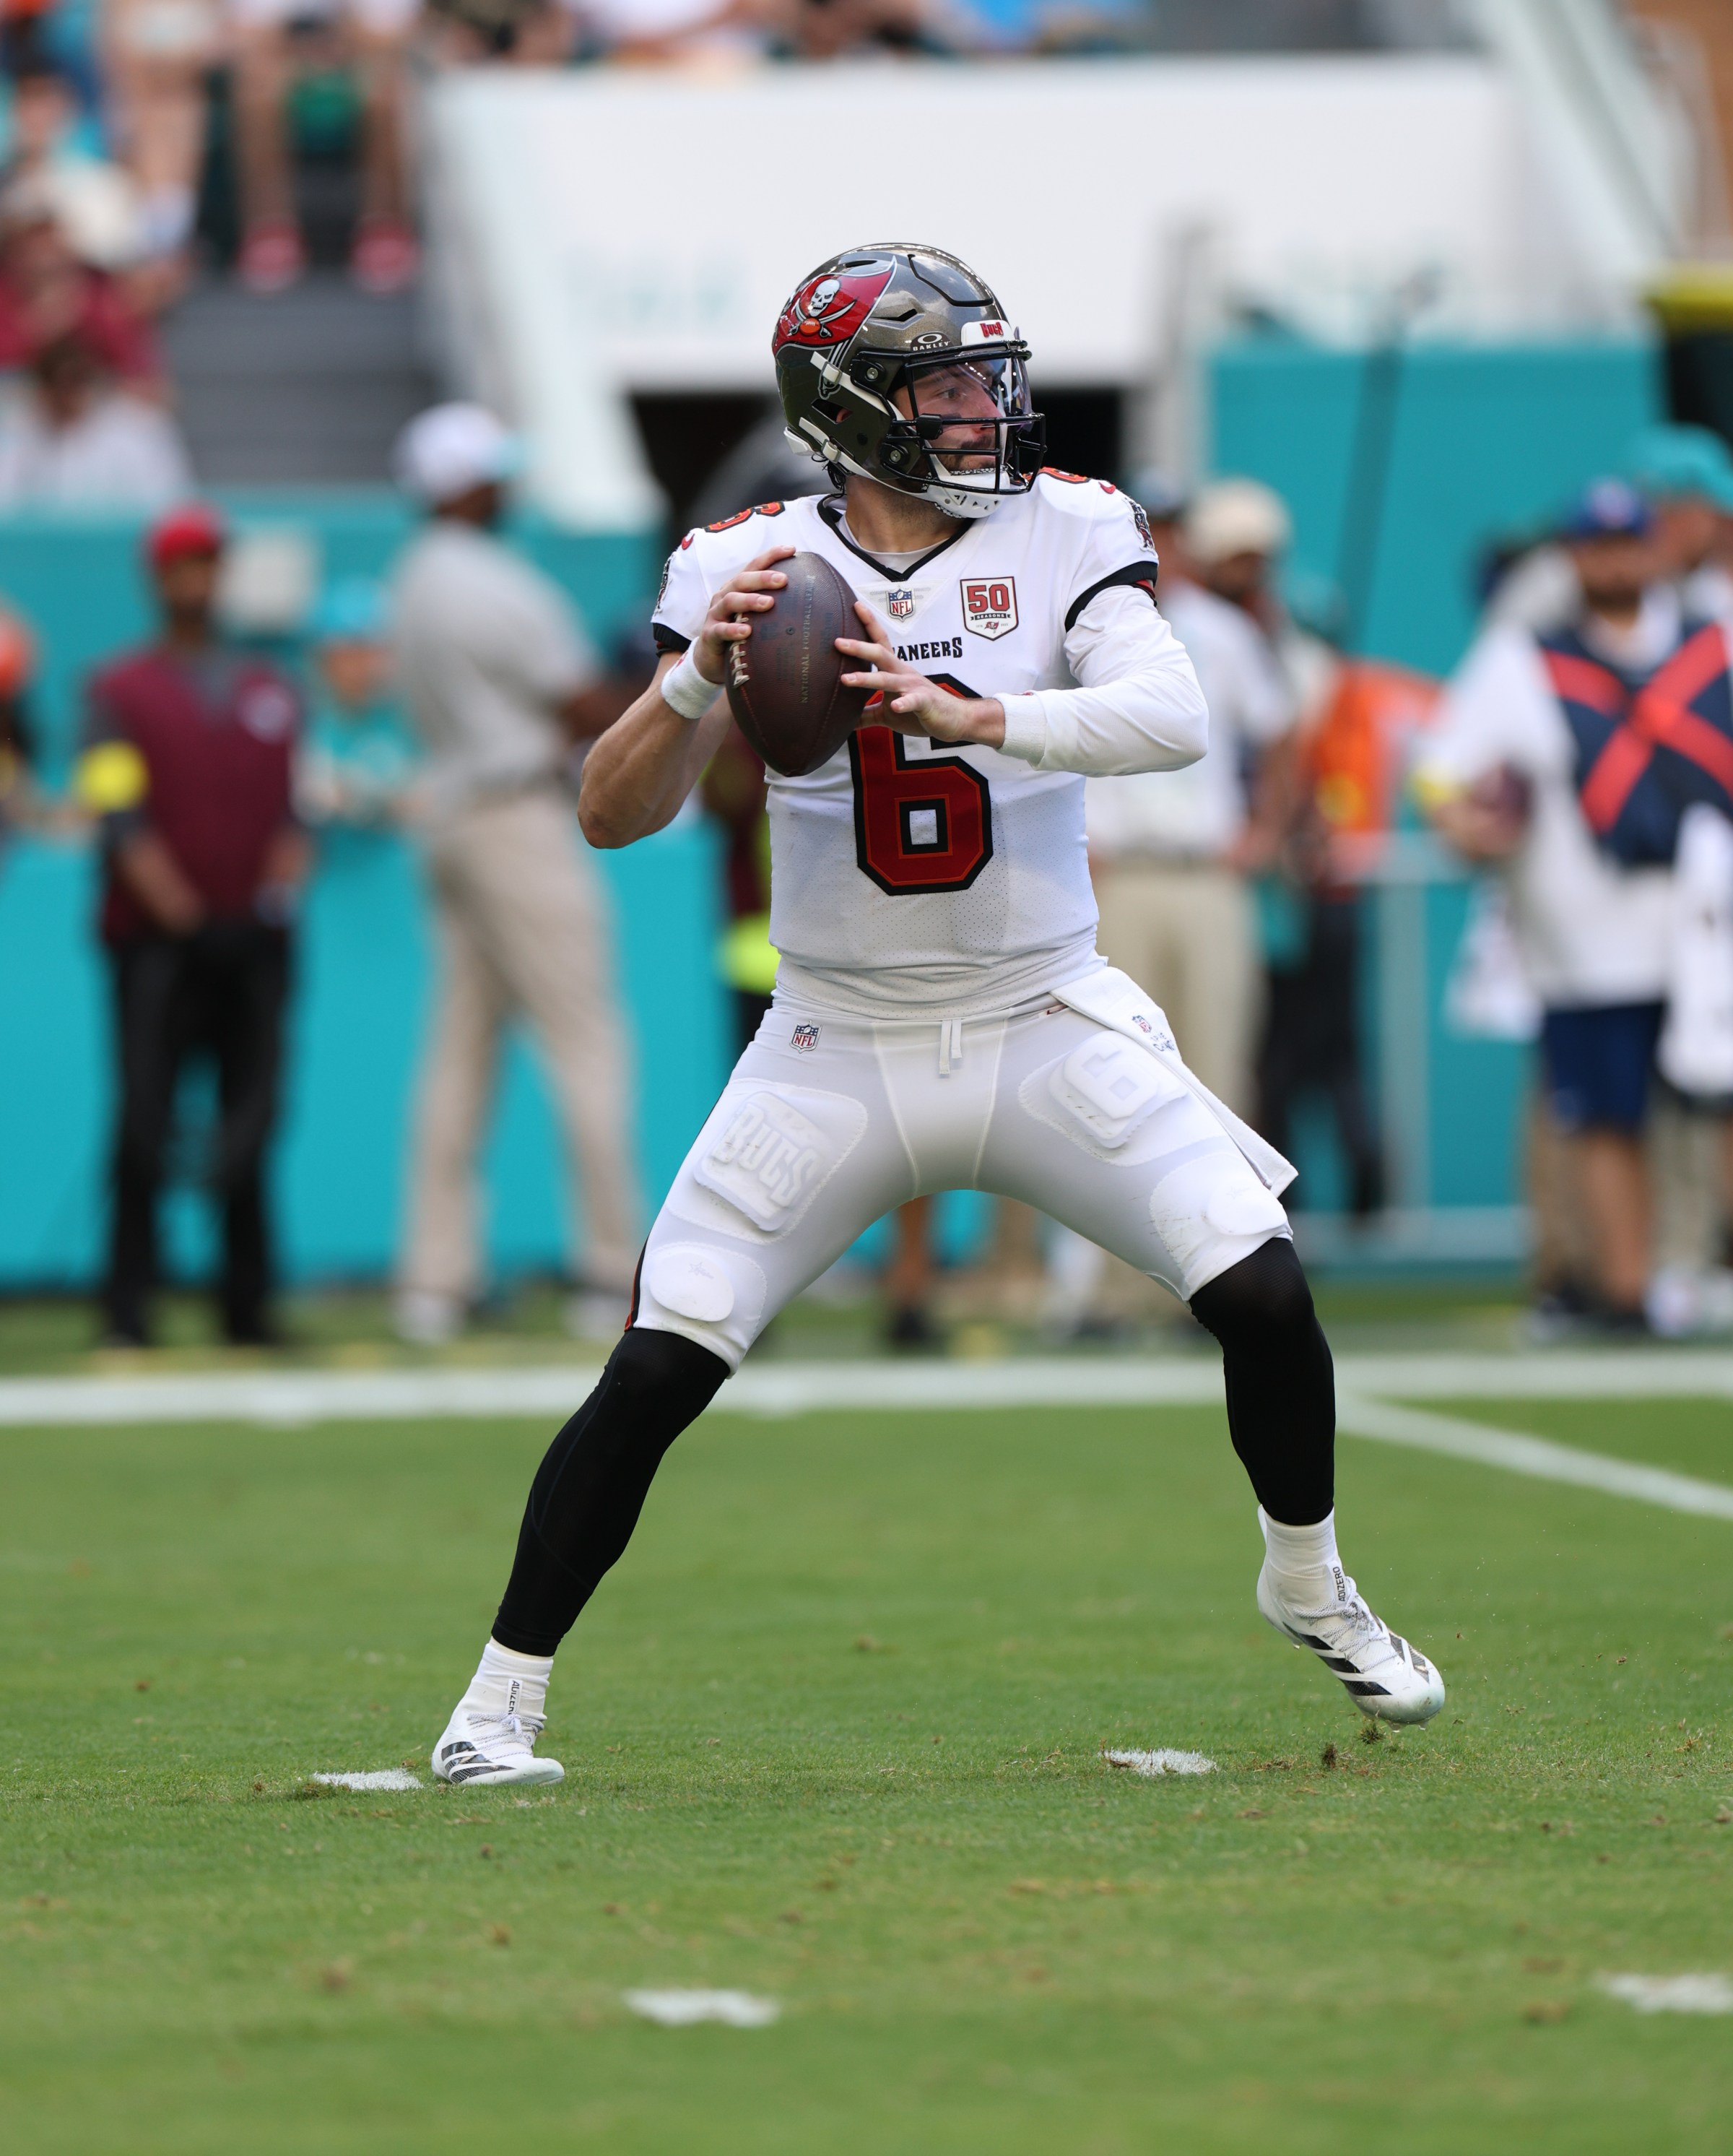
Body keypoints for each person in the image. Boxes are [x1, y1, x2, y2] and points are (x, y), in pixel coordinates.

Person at [425, 243, 1446, 1788]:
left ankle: (1308, 1581)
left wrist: (986, 715)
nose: (983, 408)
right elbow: (609, 812)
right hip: (836, 1039)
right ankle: (496, 1703)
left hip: (1043, 1013)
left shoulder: (1069, 528)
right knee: (661, 1360)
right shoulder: (743, 562)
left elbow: (1172, 715)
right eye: (946, 384)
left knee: (1260, 1285)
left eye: (986, 376)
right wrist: (695, 685)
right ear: (849, 408)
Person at [1418, 479, 1733, 1330]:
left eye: (1629, 543)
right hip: (1586, 942)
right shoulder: (1525, 659)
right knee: (1604, 1120)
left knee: (1716, 1111)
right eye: (1598, 547)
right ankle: (1624, 1292)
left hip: (1709, 935)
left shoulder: (1712, 644)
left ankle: (1697, 1271)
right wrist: (1462, 822)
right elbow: (1440, 764)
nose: (1616, 562)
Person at [389, 401, 641, 1346]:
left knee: (459, 1052)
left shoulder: (411, 581)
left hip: (452, 816)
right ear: (462, 486)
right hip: (513, 815)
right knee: (586, 1040)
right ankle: (611, 1269)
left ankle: (434, 1279)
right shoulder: (489, 581)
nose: (506, 486)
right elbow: (581, 704)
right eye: (492, 473)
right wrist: (682, 691)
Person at [76, 502, 308, 1347]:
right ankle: (128, 1304)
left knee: (250, 1120)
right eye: (183, 566)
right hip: (156, 946)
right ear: (158, 579)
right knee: (144, 1116)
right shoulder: (115, 691)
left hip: (253, 945)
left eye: (208, 564)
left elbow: (294, 814)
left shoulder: (271, 689)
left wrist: (268, 899)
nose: (197, 581)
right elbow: (115, 812)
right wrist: (176, 907)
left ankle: (247, 1303)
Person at [1084, 476, 1294, 1116]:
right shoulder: (1082, 619)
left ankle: (1223, 1189)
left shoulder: (1224, 630)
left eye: (1172, 535)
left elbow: (1281, 732)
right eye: (1148, 533)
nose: (1161, 549)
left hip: (1206, 870)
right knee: (1116, 1068)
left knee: (1218, 1064)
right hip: (1116, 874)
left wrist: (1265, 832)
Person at [228, 0, 420, 293]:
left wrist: (342, 44)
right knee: (259, 91)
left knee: (385, 93)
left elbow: (397, 36)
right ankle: (269, 226)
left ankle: (383, 224)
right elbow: (245, 36)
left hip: (356, 71)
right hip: (288, 72)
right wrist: (304, 55)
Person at [0, 329, 191, 504]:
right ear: (42, 388)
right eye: (56, 384)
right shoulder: (17, 431)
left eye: (75, 381)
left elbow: (170, 502)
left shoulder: (140, 428)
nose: (66, 395)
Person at [294, 574, 422, 833]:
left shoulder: (411, 719)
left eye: (377, 652)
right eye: (353, 653)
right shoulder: (305, 723)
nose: (368, 667)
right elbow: (310, 798)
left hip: (401, 858)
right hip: (332, 856)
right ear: (323, 660)